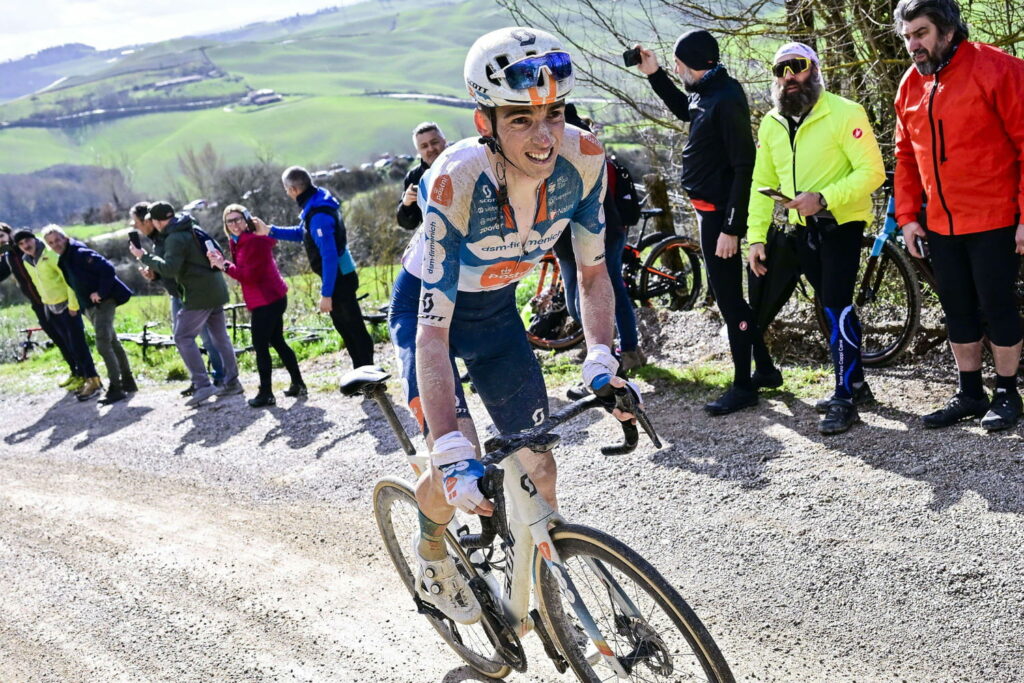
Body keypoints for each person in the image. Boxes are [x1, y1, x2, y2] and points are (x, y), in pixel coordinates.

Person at [389, 26, 638, 625]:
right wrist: (448, 445)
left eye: (553, 113)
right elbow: (432, 333)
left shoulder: (584, 160)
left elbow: (593, 273)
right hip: (431, 314)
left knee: (540, 463)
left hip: (498, 312)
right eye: (521, 120)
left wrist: (602, 355)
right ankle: (432, 557)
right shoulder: (455, 180)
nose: (545, 134)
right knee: (452, 464)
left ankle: (549, 591)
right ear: (486, 124)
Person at [633, 31, 781, 415]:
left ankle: (743, 386)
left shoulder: (727, 98)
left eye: (678, 62)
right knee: (730, 296)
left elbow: (744, 166)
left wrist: (732, 229)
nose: (676, 67)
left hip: (721, 217)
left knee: (730, 300)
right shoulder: (707, 90)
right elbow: (686, 109)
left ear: (694, 61)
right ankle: (764, 370)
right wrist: (655, 74)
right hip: (708, 212)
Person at [893, 0, 1024, 432]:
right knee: (957, 310)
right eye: (908, 35)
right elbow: (906, 157)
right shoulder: (910, 85)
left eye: (922, 33)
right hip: (940, 224)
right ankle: (970, 392)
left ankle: (1007, 391)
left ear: (948, 31)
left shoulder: (999, 69)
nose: (913, 44)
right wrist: (909, 217)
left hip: (996, 217)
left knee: (997, 306)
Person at [747, 42, 885, 434]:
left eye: (798, 66)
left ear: (815, 69)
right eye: (780, 70)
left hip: (841, 223)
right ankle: (856, 384)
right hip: (800, 230)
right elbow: (761, 183)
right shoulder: (772, 122)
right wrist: (756, 238)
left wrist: (823, 197)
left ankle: (843, 397)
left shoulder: (844, 112)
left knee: (838, 304)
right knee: (830, 306)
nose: (789, 77)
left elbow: (872, 172)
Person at [551, 104, 645, 396]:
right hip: (588, 235)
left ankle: (610, 362)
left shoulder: (569, 146)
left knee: (592, 295)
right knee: (594, 295)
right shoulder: (583, 143)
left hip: (594, 235)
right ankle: (621, 353)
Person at [255, 167, 375, 371]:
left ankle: (369, 376)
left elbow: (329, 257)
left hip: (339, 277)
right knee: (345, 328)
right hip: (340, 274)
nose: (286, 193)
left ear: (293, 189)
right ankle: (361, 374)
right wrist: (270, 231)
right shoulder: (317, 201)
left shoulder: (318, 214)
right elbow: (304, 233)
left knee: (353, 328)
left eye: (286, 189)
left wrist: (326, 294)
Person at [129, 201, 243, 406]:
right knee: (220, 337)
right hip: (216, 288)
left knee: (182, 337)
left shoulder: (174, 237)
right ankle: (232, 382)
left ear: (156, 221)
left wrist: (143, 256)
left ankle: (203, 385)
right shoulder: (190, 226)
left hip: (198, 294)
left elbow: (171, 269)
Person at [208, 204, 306, 407]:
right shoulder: (240, 241)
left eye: (238, 219)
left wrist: (223, 265)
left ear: (247, 219)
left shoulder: (252, 242)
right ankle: (298, 383)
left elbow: (248, 276)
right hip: (271, 297)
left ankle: (266, 393)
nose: (234, 224)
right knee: (277, 341)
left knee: (261, 346)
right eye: (229, 221)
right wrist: (222, 261)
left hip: (267, 300)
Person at [44, 225, 136, 405]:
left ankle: (116, 389)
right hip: (90, 306)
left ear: (66, 237)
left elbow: (108, 269)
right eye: (51, 243)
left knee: (103, 344)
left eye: (58, 240)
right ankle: (128, 381)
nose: (55, 244)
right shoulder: (65, 257)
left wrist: (100, 292)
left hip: (104, 301)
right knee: (112, 342)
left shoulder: (78, 252)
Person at [14, 229, 103, 400]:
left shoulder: (50, 254)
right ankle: (84, 379)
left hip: (67, 306)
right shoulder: (27, 260)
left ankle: (94, 380)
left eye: (28, 240)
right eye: (21, 244)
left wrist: (73, 305)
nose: (26, 245)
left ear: (35, 239)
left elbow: (69, 280)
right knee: (70, 347)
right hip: (50, 307)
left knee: (79, 345)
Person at [0, 222, 79, 388]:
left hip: (56, 300)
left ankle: (85, 373)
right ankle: (74, 370)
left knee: (71, 337)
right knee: (57, 338)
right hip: (38, 304)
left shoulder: (27, 249)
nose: (0, 241)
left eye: (1, 236)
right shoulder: (8, 258)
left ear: (9, 235)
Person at [396, 122, 448, 230]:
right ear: (418, 151)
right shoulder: (413, 177)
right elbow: (409, 225)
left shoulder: (463, 165)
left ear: (444, 141)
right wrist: (406, 204)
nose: (430, 149)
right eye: (424, 146)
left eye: (434, 142)